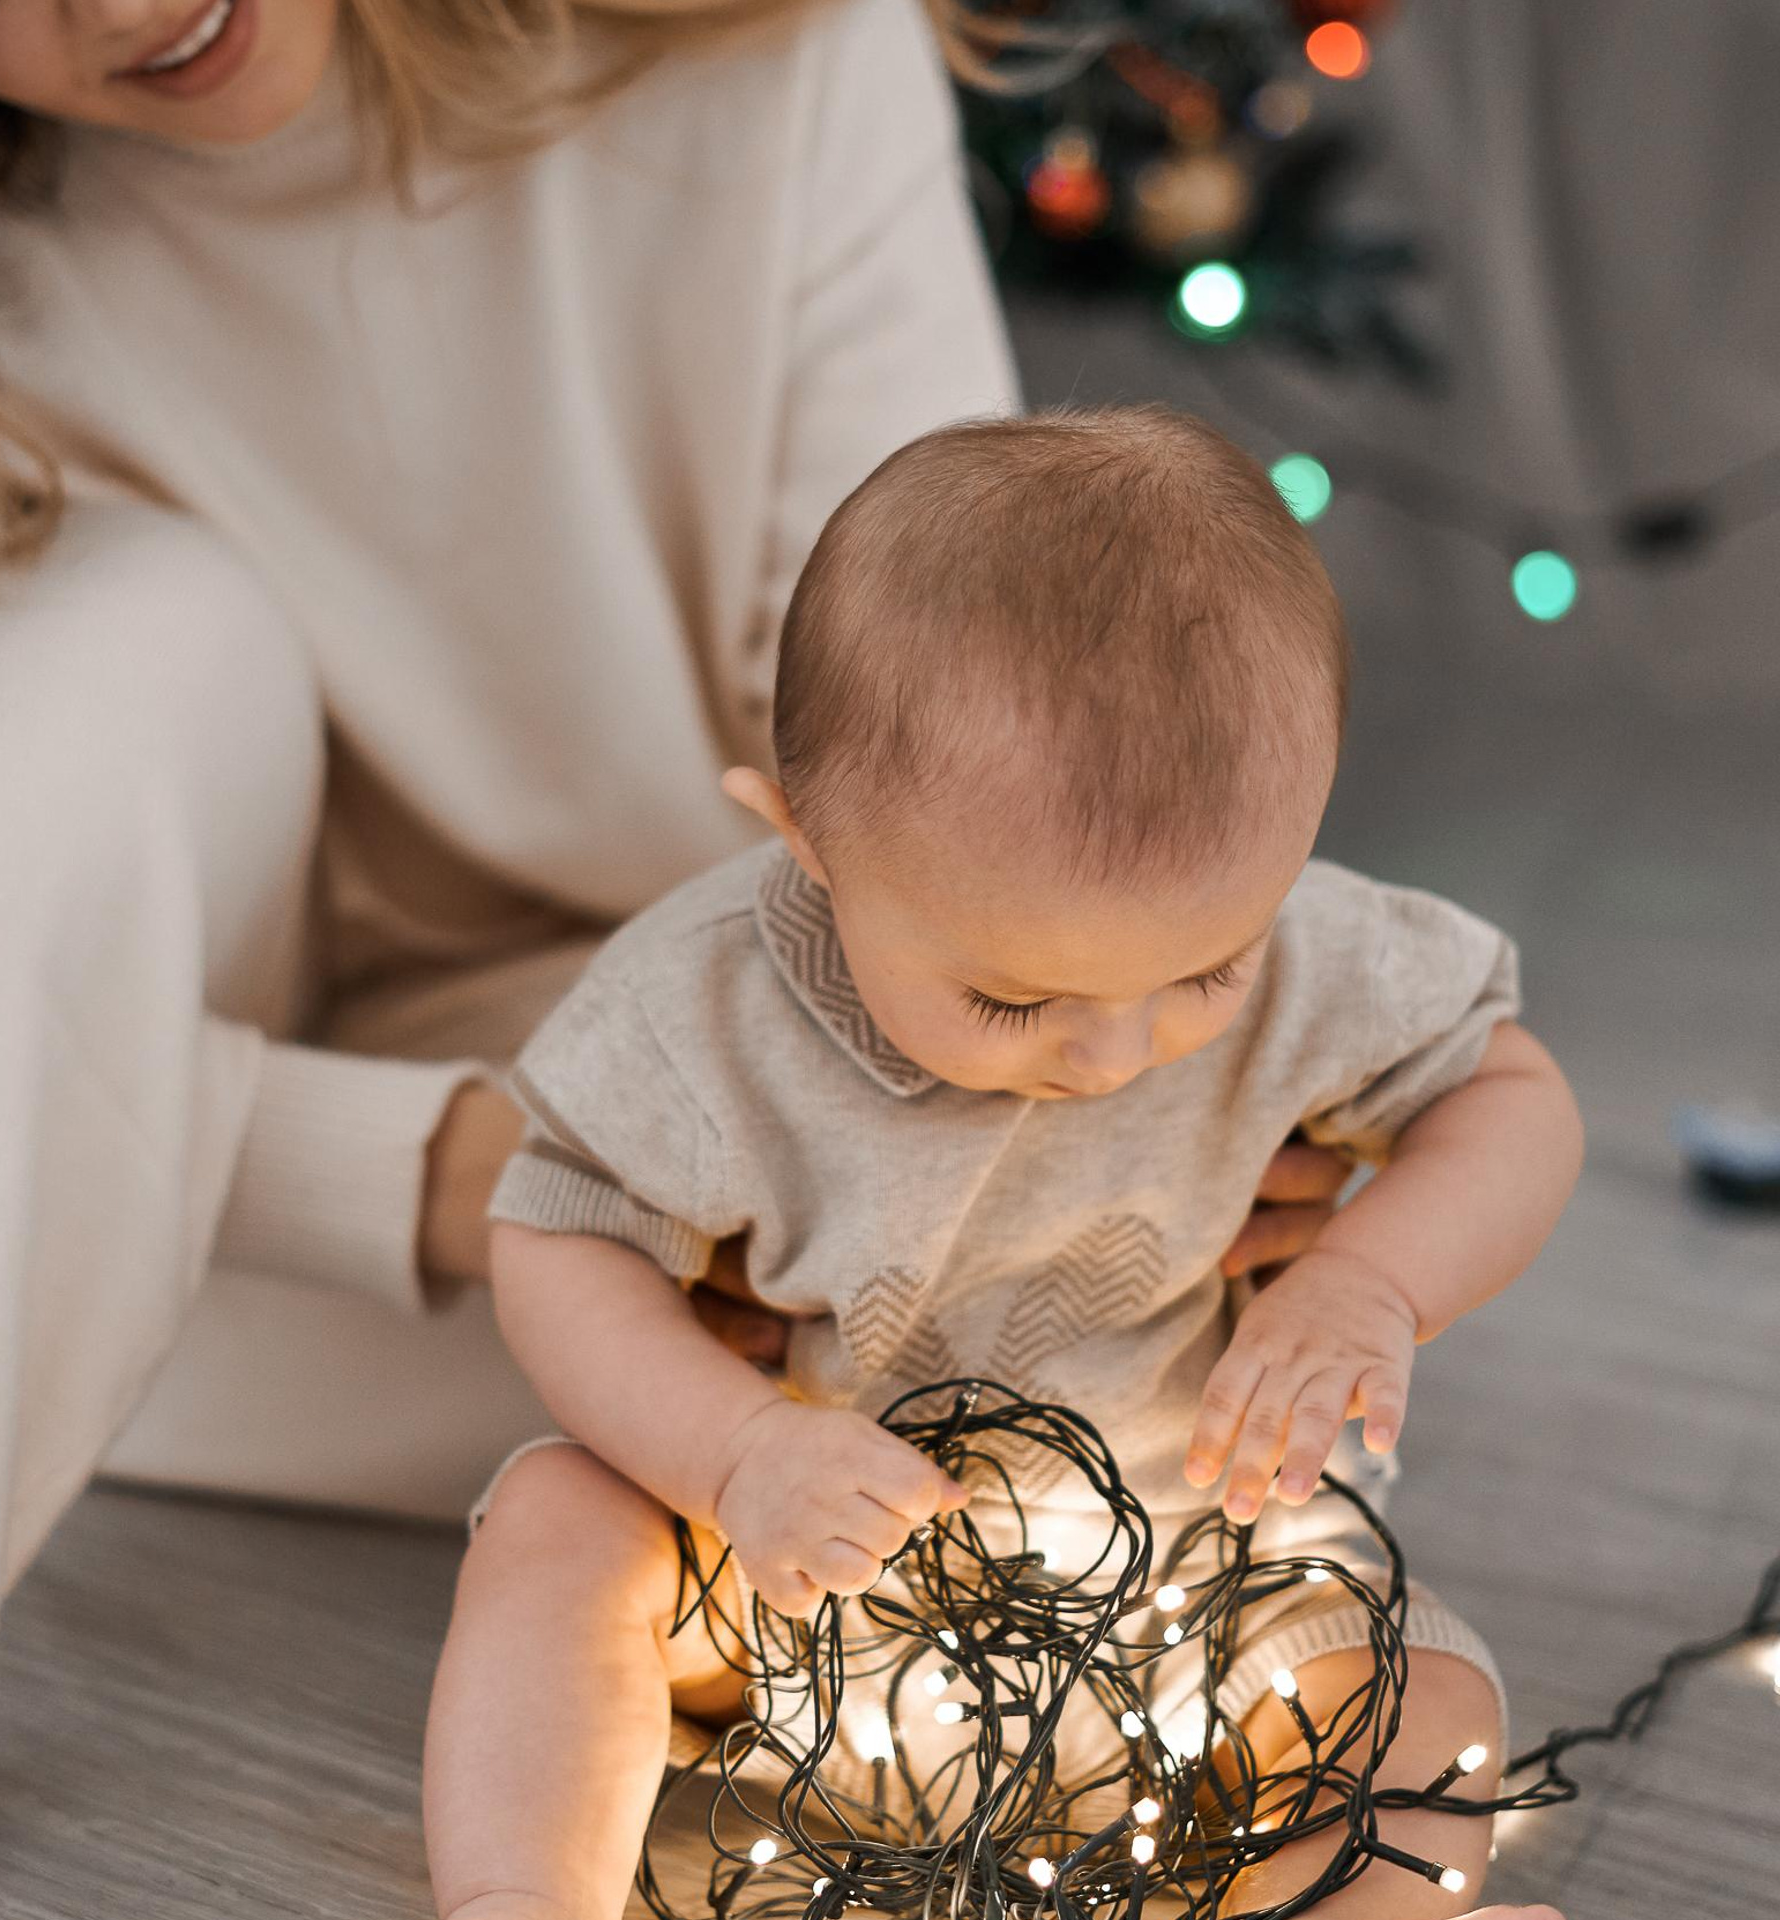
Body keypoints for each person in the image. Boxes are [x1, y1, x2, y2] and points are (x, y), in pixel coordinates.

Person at [0, 0, 1398, 1830]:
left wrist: (1151, 1078)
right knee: (132, 629)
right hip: (175, 1235)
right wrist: (463, 1173)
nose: (117, 1)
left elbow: (969, 808)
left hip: (778, 1216)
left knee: (1181, 1487)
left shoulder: (764, 61)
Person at [426, 408, 1585, 1919]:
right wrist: (736, 1452)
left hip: (1184, 1612)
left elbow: (1511, 1094)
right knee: (561, 1520)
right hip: (800, 1598)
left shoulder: (1311, 948)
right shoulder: (702, 1009)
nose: (1112, 1056)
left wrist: (1371, 1280)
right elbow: (555, 1235)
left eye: (1205, 972)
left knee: (1422, 1702)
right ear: (809, 845)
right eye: (1015, 1000)